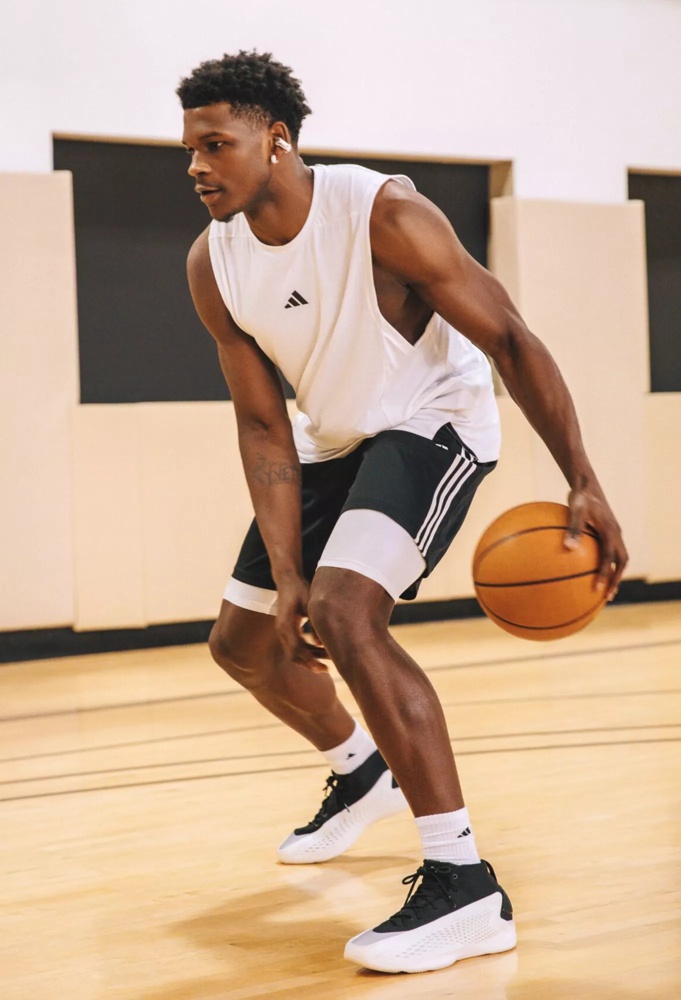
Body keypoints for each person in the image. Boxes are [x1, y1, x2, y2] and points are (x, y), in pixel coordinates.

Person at [177, 50, 628, 975]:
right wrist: (286, 571)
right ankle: (361, 769)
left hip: (433, 423)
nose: (195, 166)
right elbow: (265, 428)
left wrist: (581, 476)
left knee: (348, 613)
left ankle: (465, 885)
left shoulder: (379, 214)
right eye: (188, 149)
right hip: (335, 438)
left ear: (277, 140)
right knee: (243, 644)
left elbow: (507, 336)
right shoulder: (212, 264)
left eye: (214, 145)